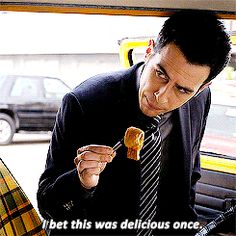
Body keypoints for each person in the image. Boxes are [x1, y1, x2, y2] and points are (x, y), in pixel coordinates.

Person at [37, 10, 231, 235]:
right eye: (161, 74)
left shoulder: (199, 101)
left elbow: (190, 178)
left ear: (202, 88)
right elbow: (47, 205)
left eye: (182, 89)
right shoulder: (84, 102)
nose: (162, 96)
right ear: (149, 51)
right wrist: (81, 182)